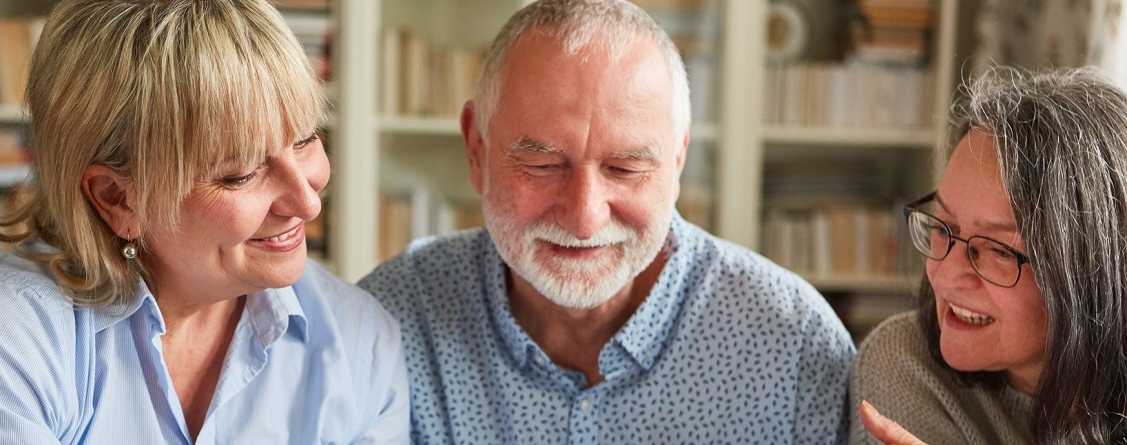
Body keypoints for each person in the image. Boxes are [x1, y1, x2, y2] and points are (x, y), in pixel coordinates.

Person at [0, 0, 408, 443]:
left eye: (305, 140)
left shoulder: (359, 338)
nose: (307, 201)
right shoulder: (5, 335)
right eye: (240, 175)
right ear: (118, 198)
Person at [357, 0, 856, 443]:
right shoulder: (388, 323)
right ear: (476, 151)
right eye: (543, 166)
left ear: (677, 161)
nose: (583, 218)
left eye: (626, 169)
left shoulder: (795, 346)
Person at [849, 67, 1127, 444]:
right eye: (943, 227)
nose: (944, 276)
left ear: (1090, 272)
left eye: (999, 250)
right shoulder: (904, 365)